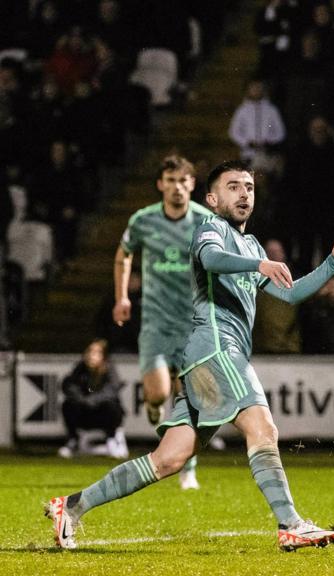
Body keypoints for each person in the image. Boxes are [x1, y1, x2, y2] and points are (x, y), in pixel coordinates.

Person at [47, 160, 334, 551]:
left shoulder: (251, 245)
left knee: (168, 460)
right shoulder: (210, 229)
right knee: (263, 430)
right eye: (233, 187)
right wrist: (259, 263)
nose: (244, 193)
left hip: (205, 357)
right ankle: (291, 524)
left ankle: (72, 507)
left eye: (248, 186)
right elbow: (211, 259)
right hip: (217, 347)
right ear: (213, 199)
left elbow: (290, 293)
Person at [114, 155, 213, 490]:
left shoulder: (205, 220)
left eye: (183, 181)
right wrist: (122, 297)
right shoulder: (143, 220)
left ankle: (189, 468)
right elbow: (123, 254)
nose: (176, 188)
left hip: (193, 324)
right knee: (158, 393)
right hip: (156, 322)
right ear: (160, 184)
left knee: (190, 398)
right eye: (170, 181)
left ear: (192, 185)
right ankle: (155, 409)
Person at [58, 339, 128, 460]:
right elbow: (68, 385)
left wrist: (93, 400)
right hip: (85, 414)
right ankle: (73, 441)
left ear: (103, 356)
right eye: (89, 352)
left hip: (103, 416)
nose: (91, 356)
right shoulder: (80, 369)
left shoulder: (109, 369)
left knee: (112, 407)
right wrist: (83, 400)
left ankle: (112, 440)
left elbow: (112, 389)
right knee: (67, 405)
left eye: (96, 353)